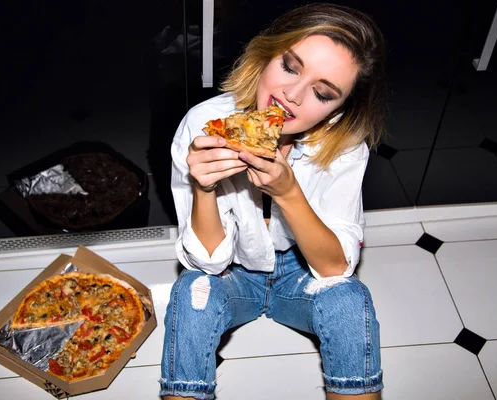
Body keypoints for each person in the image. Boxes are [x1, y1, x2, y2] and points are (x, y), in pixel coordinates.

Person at [160, 3, 387, 399]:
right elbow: (208, 262)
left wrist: (288, 193)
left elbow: (335, 268)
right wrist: (204, 188)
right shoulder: (204, 125)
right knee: (190, 291)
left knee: (351, 300)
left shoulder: (346, 146)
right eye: (290, 67)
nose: (291, 96)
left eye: (322, 92)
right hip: (233, 272)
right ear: (268, 53)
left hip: (301, 273)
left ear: (340, 107)